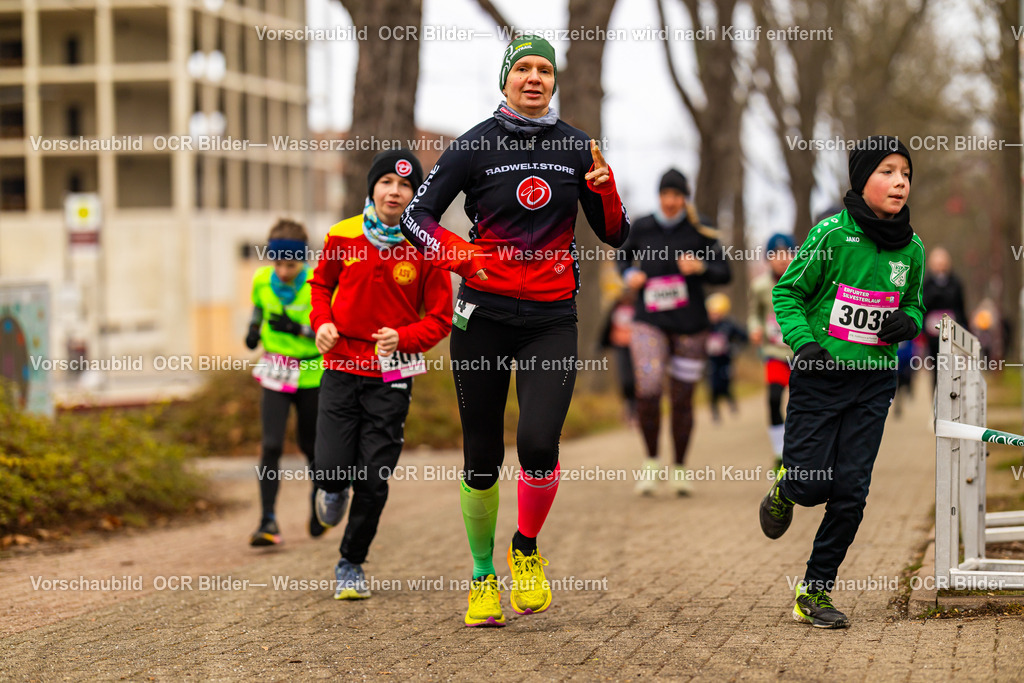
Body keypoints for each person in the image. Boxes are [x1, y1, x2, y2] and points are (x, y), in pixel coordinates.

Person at [400, 35, 630, 627]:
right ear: (505, 79)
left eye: (544, 70)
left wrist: (606, 191)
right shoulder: (472, 145)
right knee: (481, 457)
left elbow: (615, 235)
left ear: (555, 82)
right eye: (523, 68)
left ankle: (524, 548)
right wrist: (460, 256)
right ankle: (481, 578)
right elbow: (414, 217)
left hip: (553, 318)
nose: (534, 77)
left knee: (537, 444)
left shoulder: (579, 148)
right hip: (482, 316)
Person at [759, 135, 925, 629]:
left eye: (906, 173)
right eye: (888, 171)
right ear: (862, 179)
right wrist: (804, 345)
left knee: (851, 490)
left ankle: (814, 590)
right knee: (812, 485)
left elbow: (913, 302)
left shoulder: (912, 246)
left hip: (875, 380)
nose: (900, 182)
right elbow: (788, 293)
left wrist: (909, 322)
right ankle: (787, 490)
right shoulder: (830, 234)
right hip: (820, 376)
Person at [309, 149, 453, 600]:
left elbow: (441, 318)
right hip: (340, 366)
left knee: (373, 479)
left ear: (416, 195)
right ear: (372, 188)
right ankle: (331, 490)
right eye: (387, 181)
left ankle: (350, 562)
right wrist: (322, 325)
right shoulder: (343, 235)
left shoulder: (428, 246)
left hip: (393, 374)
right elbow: (320, 287)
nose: (395, 191)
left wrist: (404, 337)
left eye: (406, 185)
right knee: (332, 469)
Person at [616, 168, 731, 496]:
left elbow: (725, 273)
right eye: (665, 194)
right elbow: (622, 260)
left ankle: (679, 467)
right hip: (648, 322)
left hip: (690, 327)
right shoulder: (642, 226)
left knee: (682, 399)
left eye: (677, 195)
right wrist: (628, 276)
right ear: (658, 196)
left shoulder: (700, 227)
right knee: (649, 389)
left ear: (685, 198)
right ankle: (651, 462)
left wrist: (702, 267)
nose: (670, 201)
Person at [245, 219, 324, 546]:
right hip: (276, 371)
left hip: (312, 373)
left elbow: (328, 333)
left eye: (290, 264)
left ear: (302, 260)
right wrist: (253, 329)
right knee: (272, 445)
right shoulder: (262, 280)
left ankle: (319, 505)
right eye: (276, 262)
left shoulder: (317, 284)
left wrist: (298, 330)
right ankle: (267, 521)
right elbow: (258, 308)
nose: (282, 270)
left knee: (310, 446)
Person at [747, 233, 795, 471]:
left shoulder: (802, 281)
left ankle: (796, 452)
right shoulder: (760, 286)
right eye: (776, 254)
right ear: (768, 258)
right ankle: (779, 452)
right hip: (775, 352)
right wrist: (755, 328)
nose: (782, 259)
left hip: (801, 354)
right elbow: (754, 314)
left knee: (800, 404)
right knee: (774, 399)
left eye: (787, 253)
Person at [921, 246, 967, 384]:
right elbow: (923, 306)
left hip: (952, 332)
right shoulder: (927, 283)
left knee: (951, 367)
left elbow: (960, 306)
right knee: (935, 367)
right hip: (932, 334)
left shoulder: (956, 283)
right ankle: (935, 398)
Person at [705, 292, 747, 422]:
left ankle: (732, 405)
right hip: (711, 361)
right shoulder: (705, 326)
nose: (714, 316)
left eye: (717, 312)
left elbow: (744, 337)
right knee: (712, 386)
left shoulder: (729, 325)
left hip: (725, 360)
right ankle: (715, 411)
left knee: (726, 384)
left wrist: (735, 348)